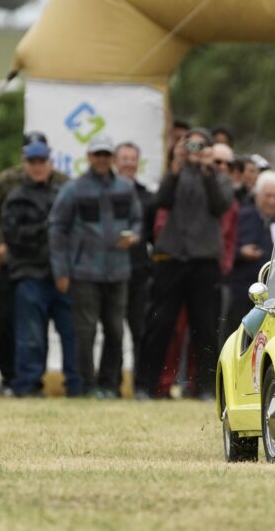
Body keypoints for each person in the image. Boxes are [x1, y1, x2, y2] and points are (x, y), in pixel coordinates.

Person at [136, 127, 232, 400]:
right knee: (160, 324)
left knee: (206, 326)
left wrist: (208, 171)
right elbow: (161, 201)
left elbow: (220, 206)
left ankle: (206, 388)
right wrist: (176, 166)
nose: (195, 151)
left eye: (201, 146)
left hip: (205, 260)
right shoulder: (174, 173)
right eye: (191, 145)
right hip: (171, 258)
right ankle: (147, 386)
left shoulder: (219, 178)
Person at [50, 135, 143, 399]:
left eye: (106, 154)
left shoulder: (125, 188)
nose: (102, 159)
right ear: (89, 157)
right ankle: (87, 385)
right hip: (84, 272)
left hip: (118, 271)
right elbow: (56, 227)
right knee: (85, 331)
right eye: (97, 154)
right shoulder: (74, 189)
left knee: (115, 331)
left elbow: (137, 220)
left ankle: (110, 384)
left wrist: (134, 236)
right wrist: (61, 270)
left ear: (112, 158)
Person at [0, 132, 69, 394]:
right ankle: (11, 378)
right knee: (6, 320)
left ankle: (36, 380)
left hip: (52, 264)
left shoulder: (63, 182)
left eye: (42, 158)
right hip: (13, 260)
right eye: (31, 157)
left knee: (46, 326)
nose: (37, 165)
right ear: (23, 156)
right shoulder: (7, 180)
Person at [2, 145, 80, 398]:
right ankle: (28, 385)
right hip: (30, 274)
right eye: (33, 162)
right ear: (25, 165)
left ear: (50, 163)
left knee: (72, 333)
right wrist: (45, 228)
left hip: (63, 275)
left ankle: (76, 384)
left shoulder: (64, 193)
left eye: (42, 161)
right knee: (31, 336)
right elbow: (12, 236)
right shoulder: (16, 197)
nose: (37, 167)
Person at [226, 171, 275, 333]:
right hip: (242, 291)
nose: (272, 201)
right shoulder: (241, 217)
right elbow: (224, 248)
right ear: (257, 195)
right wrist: (241, 253)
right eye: (267, 196)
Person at [115, 142, 157, 366]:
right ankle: (110, 380)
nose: (129, 164)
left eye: (133, 159)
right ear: (116, 162)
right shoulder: (105, 192)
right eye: (125, 159)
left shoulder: (147, 196)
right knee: (113, 331)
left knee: (140, 328)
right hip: (110, 272)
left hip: (139, 272)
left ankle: (141, 380)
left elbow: (154, 236)